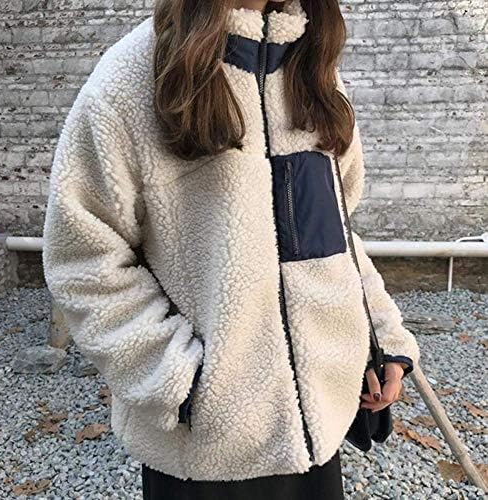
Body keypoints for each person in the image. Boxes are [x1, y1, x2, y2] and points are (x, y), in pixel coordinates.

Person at [42, 0, 421, 498]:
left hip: (318, 438)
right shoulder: (132, 78)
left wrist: (379, 340)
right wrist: (181, 385)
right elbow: (84, 259)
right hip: (204, 453)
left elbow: (337, 238)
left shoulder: (314, 71)